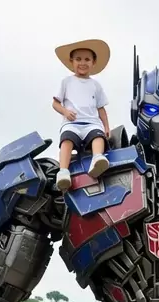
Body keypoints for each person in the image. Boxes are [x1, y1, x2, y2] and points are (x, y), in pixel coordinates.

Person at [53, 38, 111, 191]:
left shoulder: (95, 85)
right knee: (66, 140)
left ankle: (97, 159)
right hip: (72, 123)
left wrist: (106, 127)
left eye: (87, 59)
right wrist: (65, 111)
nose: (82, 63)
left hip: (91, 122)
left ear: (93, 62)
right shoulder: (66, 82)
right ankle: (63, 171)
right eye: (78, 59)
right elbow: (55, 103)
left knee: (98, 136)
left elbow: (101, 109)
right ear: (71, 61)